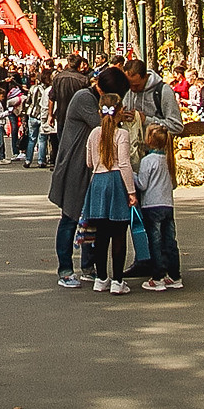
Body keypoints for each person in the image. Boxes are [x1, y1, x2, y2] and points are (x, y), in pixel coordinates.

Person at [80, 91, 137, 295]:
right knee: (119, 233)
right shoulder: (122, 134)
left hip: (97, 182)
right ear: (120, 111)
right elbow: (124, 163)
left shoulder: (94, 133)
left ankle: (101, 278)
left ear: (99, 112)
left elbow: (88, 162)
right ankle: (118, 281)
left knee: (101, 235)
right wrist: (131, 191)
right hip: (115, 182)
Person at [50, 75, 101, 287]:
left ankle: (88, 266)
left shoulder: (66, 84)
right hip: (75, 165)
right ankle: (66, 269)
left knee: (90, 220)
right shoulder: (84, 98)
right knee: (71, 217)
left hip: (90, 166)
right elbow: (100, 124)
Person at [137, 126, 181, 291]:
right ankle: (175, 275)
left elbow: (142, 184)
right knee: (170, 240)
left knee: (155, 241)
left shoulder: (147, 161)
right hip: (167, 204)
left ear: (149, 140)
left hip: (151, 204)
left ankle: (158, 276)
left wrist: (132, 175)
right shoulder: (168, 160)